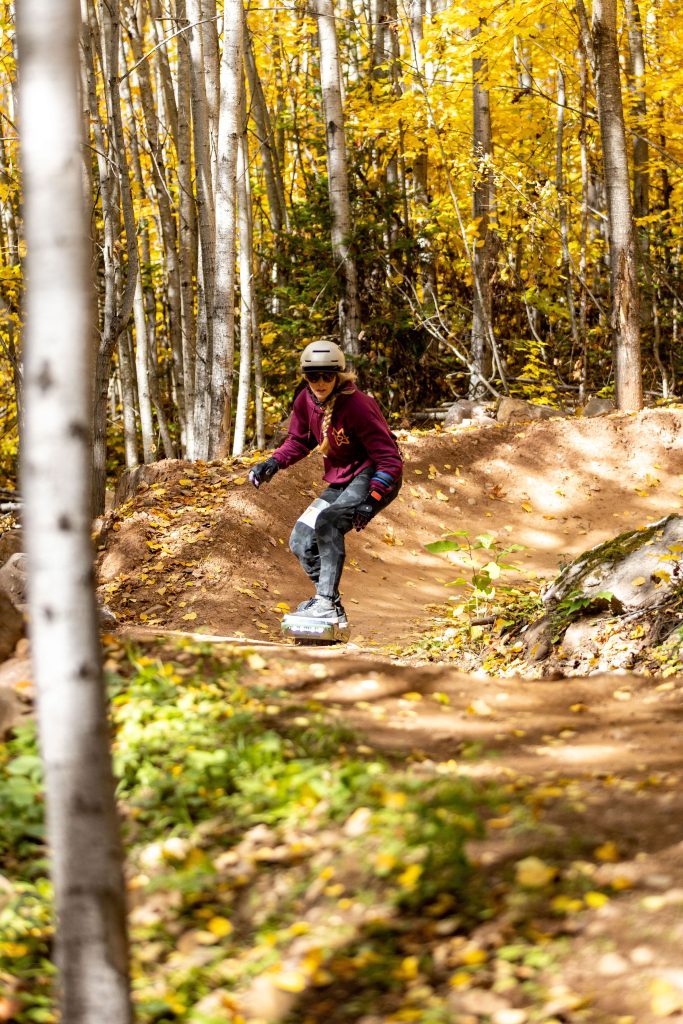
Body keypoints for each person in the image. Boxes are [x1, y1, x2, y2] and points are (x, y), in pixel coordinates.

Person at [249, 339, 403, 627]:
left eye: (327, 376)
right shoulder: (305, 401)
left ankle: (325, 604)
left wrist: (372, 499)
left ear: (338, 375)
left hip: (374, 475)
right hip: (343, 479)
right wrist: (273, 462)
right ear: (306, 378)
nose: (320, 383)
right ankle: (328, 602)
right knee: (301, 539)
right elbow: (299, 440)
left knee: (329, 522)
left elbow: (390, 459)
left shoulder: (358, 406)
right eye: (313, 377)